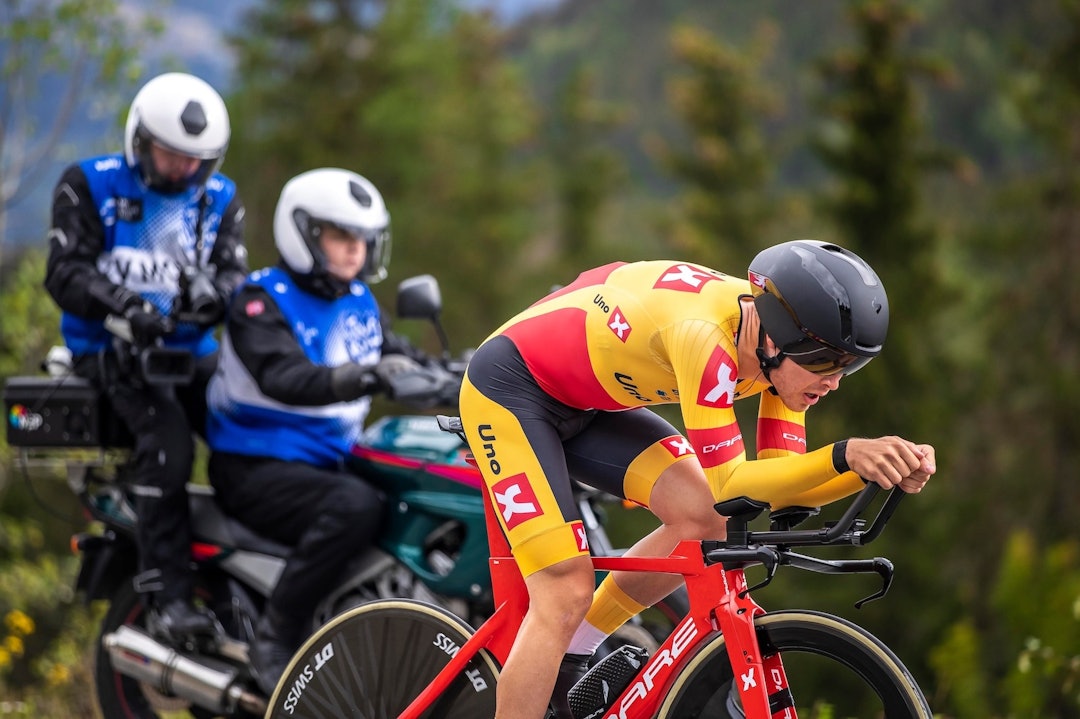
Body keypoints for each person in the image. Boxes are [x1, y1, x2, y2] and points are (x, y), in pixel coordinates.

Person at [457, 240, 938, 719]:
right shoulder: (706, 339)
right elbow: (734, 484)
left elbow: (781, 485)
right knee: (564, 590)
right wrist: (850, 455)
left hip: (588, 400)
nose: (834, 381)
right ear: (774, 340)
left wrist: (876, 470)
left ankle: (572, 654)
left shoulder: (774, 355)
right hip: (510, 389)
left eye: (850, 366)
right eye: (825, 363)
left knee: (705, 518)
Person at [205, 167, 433, 695]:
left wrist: (471, 369)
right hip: (255, 465)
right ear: (304, 232)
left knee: (416, 485)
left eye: (362, 238)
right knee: (355, 506)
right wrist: (365, 375)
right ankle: (277, 636)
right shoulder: (260, 299)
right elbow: (284, 376)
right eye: (341, 236)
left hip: (328, 459)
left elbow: (398, 355)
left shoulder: (357, 301)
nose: (355, 250)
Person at [44, 72, 247, 643]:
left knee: (250, 437)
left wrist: (215, 294)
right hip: (109, 353)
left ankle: (243, 584)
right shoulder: (88, 183)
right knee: (170, 450)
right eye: (171, 154)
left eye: (196, 159)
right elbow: (63, 273)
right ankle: (169, 598)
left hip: (192, 354)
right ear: (140, 140)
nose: (184, 168)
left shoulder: (220, 197)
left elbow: (235, 272)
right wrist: (127, 307)